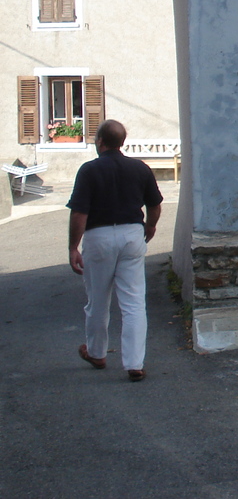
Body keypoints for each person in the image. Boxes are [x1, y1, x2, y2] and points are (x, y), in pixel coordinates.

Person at [68, 119, 163, 381]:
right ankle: (134, 363)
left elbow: (79, 213)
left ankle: (97, 353)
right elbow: (154, 205)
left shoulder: (89, 170)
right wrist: (150, 227)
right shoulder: (140, 168)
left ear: (100, 141)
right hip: (132, 233)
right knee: (133, 301)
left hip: (98, 237)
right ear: (122, 142)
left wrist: (73, 247)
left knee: (98, 299)